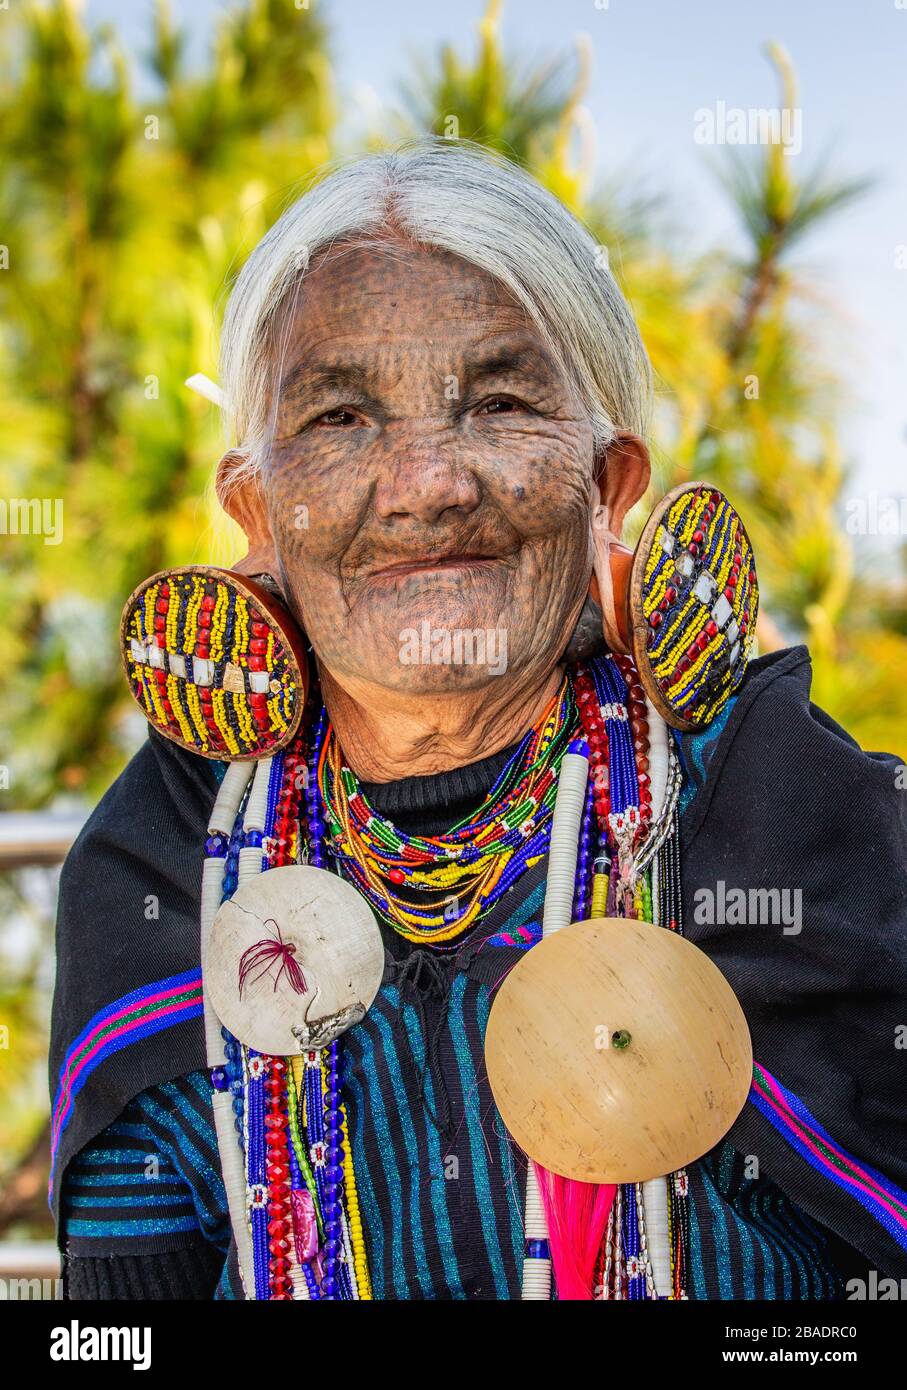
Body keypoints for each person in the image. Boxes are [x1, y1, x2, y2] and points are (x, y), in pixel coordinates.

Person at [50, 140, 907, 1301]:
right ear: (257, 511)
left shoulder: (790, 812)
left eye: (498, 403)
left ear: (607, 485)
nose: (426, 483)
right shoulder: (168, 854)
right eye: (342, 418)